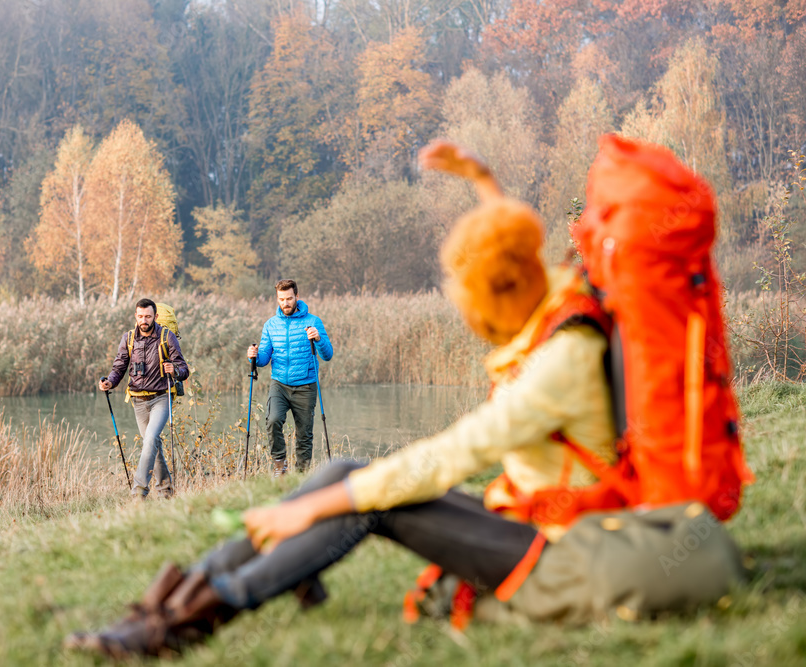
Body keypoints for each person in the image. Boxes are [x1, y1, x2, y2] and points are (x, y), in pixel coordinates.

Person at [65, 141, 744, 659]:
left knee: (363, 496)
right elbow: (512, 243)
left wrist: (309, 508)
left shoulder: (561, 364)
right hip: (536, 524)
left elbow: (447, 457)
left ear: (494, 300)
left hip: (563, 556)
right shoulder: (558, 299)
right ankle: (176, 599)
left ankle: (187, 624)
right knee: (341, 469)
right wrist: (479, 182)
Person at [99, 299, 189, 499]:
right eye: (140, 316)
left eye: (148, 316)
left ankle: (138, 493)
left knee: (149, 439)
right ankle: (166, 492)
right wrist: (110, 383)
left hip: (161, 398)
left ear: (155, 317)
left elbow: (184, 370)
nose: (144, 320)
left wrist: (174, 370)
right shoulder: (128, 338)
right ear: (135, 316)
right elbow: (119, 367)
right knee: (153, 446)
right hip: (138, 400)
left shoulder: (167, 337)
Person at [246, 279, 333, 475]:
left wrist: (318, 339)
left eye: (289, 298)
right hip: (280, 385)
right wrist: (254, 356)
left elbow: (328, 355)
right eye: (281, 299)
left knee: (304, 434)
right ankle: (279, 466)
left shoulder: (313, 322)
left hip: (306, 385)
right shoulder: (270, 325)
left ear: (297, 297)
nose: (285, 303)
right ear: (277, 299)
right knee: (273, 419)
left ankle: (301, 476)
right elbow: (263, 359)